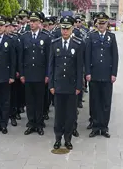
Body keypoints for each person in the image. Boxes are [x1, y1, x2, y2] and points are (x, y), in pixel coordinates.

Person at [49, 16, 83, 150]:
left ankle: (68, 138)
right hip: (58, 85)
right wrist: (51, 85)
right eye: (63, 28)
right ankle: (58, 138)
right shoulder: (55, 44)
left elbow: (80, 67)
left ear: (72, 29)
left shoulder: (78, 44)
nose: (65, 31)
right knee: (59, 115)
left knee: (70, 114)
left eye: (67, 28)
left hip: (71, 85)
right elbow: (51, 67)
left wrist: (79, 86)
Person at [85, 12, 119, 138]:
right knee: (94, 101)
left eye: (103, 23)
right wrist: (87, 72)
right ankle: (95, 126)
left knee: (105, 102)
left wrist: (114, 73)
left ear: (107, 24)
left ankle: (104, 127)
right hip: (93, 74)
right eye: (99, 23)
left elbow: (115, 56)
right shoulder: (91, 36)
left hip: (107, 75)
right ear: (96, 24)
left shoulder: (112, 37)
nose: (101, 25)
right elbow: (87, 56)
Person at [18, 12, 51, 136]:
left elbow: (49, 58)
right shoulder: (24, 37)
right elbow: (21, 57)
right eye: (31, 22)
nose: (32, 24)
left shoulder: (45, 37)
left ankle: (39, 123)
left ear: (39, 23)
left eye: (34, 21)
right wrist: (21, 74)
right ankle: (31, 123)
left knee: (39, 100)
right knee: (29, 101)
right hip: (28, 74)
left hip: (40, 74)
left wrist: (47, 74)